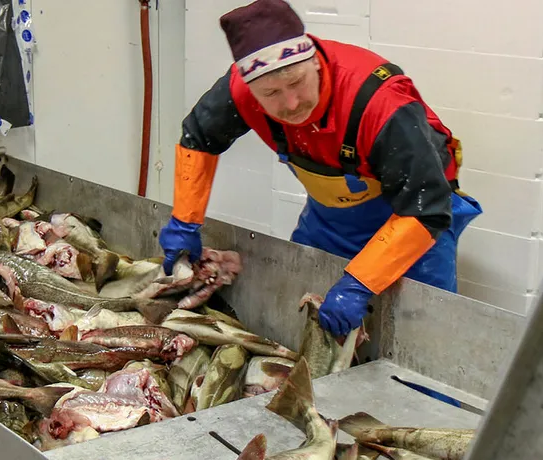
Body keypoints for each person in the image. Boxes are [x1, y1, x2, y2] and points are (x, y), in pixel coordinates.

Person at [158, 0, 483, 338]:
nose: (291, 104)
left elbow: (425, 208)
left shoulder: (381, 104)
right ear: (250, 90)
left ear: (314, 61)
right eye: (271, 94)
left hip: (417, 221)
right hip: (330, 218)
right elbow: (198, 139)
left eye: (297, 83)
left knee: (419, 342)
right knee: (298, 325)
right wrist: (185, 221)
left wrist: (359, 284)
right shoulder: (240, 91)